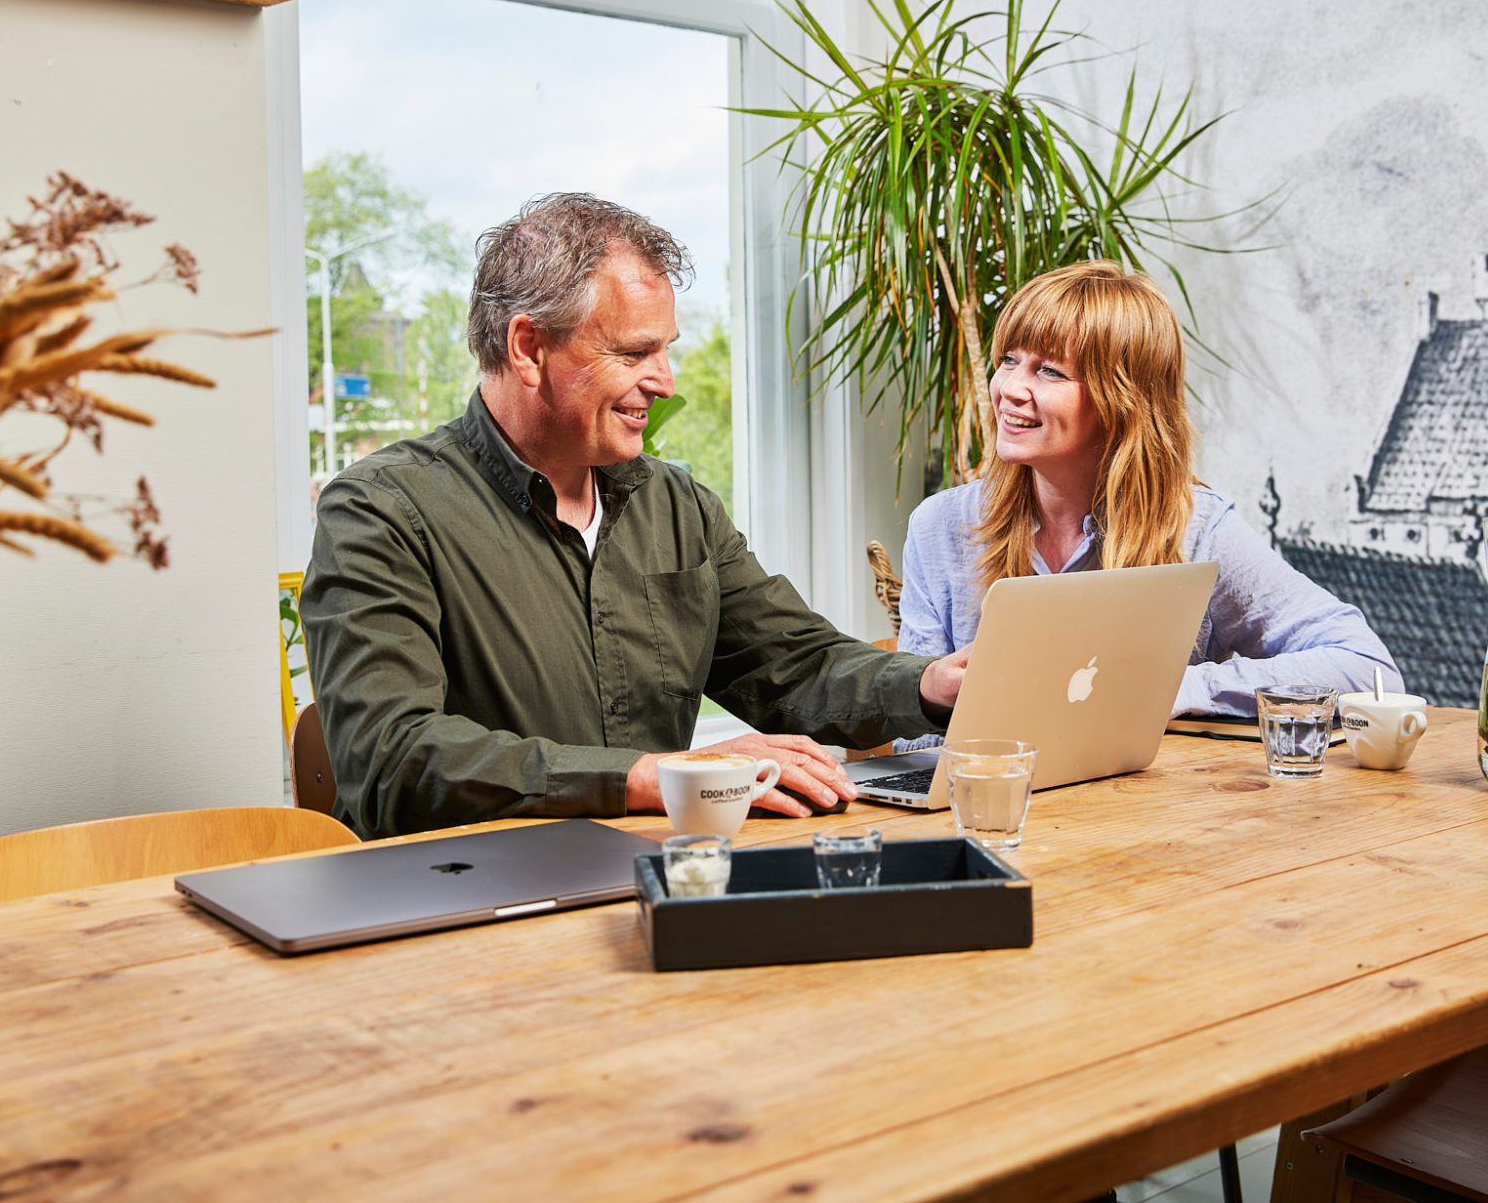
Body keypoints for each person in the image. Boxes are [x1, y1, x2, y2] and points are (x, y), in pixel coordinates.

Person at [304, 193, 967, 837]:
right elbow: (392, 757)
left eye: (666, 349)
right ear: (529, 347)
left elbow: (795, 667)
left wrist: (932, 683)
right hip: (465, 905)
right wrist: (651, 777)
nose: (666, 381)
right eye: (633, 353)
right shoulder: (381, 512)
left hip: (656, 878)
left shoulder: (677, 508)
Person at [898, 259, 1399, 720]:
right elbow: (913, 739)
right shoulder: (940, 527)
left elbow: (1364, 667)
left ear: (1122, 400)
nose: (1008, 387)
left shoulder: (1198, 528)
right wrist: (928, 695)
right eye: (1008, 360)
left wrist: (1178, 689)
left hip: (1147, 810)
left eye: (1049, 371)